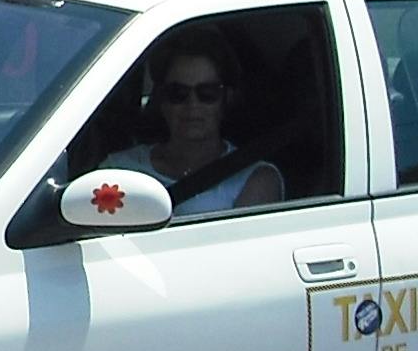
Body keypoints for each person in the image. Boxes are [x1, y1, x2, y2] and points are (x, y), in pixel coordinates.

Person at [100, 25, 284, 213]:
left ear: (226, 99)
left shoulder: (256, 178)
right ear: (161, 100)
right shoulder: (119, 172)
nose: (192, 105)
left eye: (207, 93)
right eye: (178, 93)